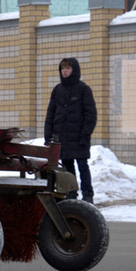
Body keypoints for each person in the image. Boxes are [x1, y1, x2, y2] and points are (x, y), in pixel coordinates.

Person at [44, 57, 97, 203]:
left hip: (79, 137)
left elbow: (90, 115)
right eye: (62, 68)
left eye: (68, 68)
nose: (65, 71)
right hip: (62, 138)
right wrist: (48, 137)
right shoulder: (57, 90)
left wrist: (85, 135)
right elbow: (51, 114)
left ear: (74, 70)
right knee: (67, 168)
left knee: (82, 166)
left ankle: (88, 194)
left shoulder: (83, 89)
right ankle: (71, 193)